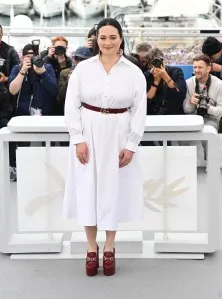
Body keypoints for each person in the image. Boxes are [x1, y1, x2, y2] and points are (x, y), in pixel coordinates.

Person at [63, 18, 147, 276]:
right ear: (95, 39)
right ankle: (91, 247)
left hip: (119, 134)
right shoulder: (83, 69)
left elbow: (140, 110)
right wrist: (77, 139)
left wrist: (132, 144)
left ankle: (110, 246)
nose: (108, 42)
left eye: (113, 37)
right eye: (103, 37)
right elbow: (71, 105)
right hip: (88, 133)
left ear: (121, 38)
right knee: (87, 188)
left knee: (113, 189)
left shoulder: (133, 72)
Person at [183, 54, 222, 164]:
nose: (197, 70)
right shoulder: (189, 83)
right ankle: (186, 164)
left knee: (208, 134)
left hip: (211, 118)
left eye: (200, 67)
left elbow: (220, 111)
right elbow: (186, 110)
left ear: (208, 68)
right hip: (193, 117)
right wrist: (191, 102)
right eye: (195, 67)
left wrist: (207, 107)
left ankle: (210, 165)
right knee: (181, 136)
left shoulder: (219, 85)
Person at [9, 44, 57, 116]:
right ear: (22, 58)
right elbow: (13, 91)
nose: (32, 60)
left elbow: (54, 91)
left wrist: (43, 73)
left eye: (34, 58)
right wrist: (22, 71)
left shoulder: (47, 67)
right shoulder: (17, 69)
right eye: (28, 57)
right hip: (23, 114)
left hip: (44, 114)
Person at [146, 47, 186, 116]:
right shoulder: (147, 75)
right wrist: (156, 82)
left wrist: (165, 76)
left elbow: (181, 94)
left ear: (163, 61)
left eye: (158, 62)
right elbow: (146, 100)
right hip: (153, 115)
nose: (156, 66)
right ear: (149, 65)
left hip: (174, 114)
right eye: (153, 63)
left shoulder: (176, 72)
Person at [57, 46, 92, 115]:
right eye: (76, 58)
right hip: (71, 110)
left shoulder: (94, 73)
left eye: (82, 60)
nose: (79, 62)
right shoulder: (65, 73)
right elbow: (60, 98)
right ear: (73, 59)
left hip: (88, 111)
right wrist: (68, 82)